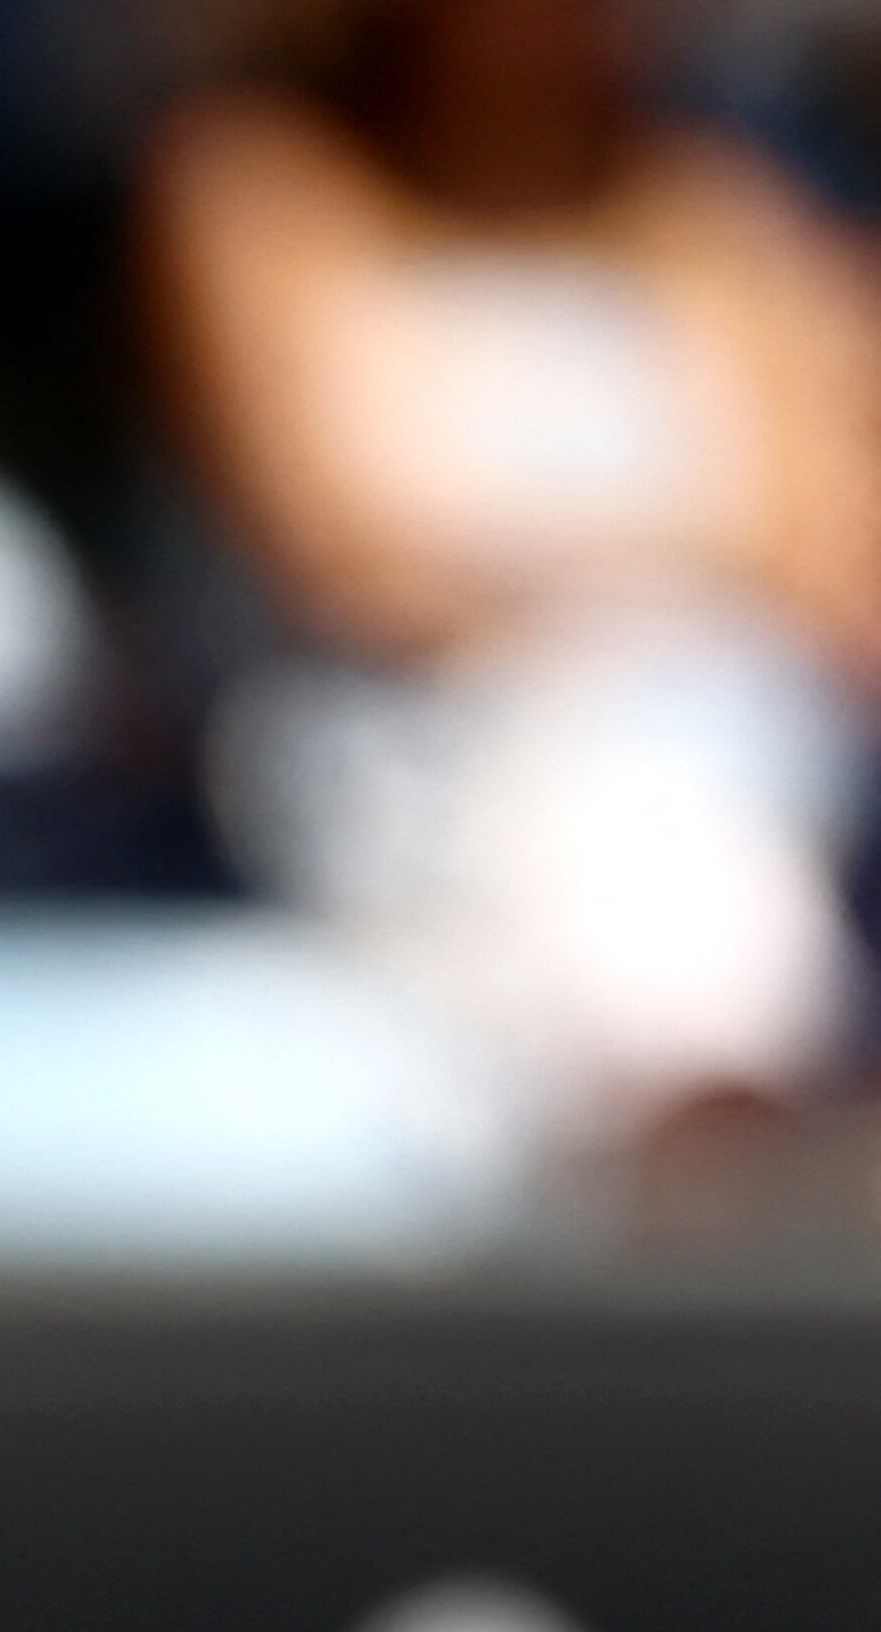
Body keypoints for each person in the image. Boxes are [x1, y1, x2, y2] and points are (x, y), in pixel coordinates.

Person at [149, 0, 881, 1146]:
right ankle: (706, 1131)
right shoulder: (265, 185)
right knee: (618, 827)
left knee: (663, 794)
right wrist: (662, 565)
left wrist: (550, 572)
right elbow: (342, 557)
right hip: (399, 744)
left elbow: (829, 550)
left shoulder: (718, 205)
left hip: (720, 734)